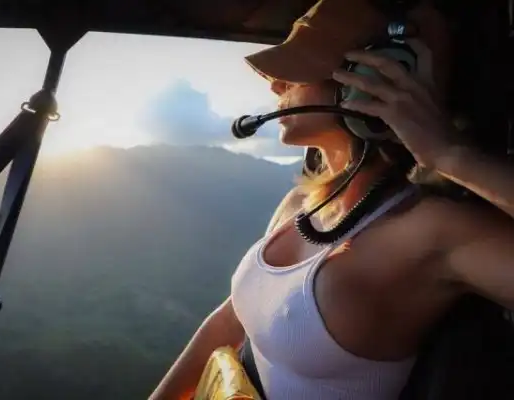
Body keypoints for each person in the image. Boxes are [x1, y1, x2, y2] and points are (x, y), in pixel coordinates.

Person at [149, 0, 514, 399]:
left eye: (296, 73)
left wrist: (450, 154)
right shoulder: (300, 203)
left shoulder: (431, 229)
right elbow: (229, 320)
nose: (276, 86)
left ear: (369, 81)